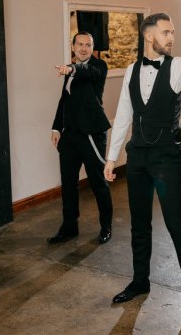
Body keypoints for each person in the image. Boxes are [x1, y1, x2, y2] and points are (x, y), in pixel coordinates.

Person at [103, 13, 181, 322]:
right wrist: (110, 158)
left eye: (173, 32)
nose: (172, 37)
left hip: (166, 160)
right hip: (137, 160)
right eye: (166, 32)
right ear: (149, 36)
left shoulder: (176, 67)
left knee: (177, 226)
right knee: (139, 224)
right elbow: (122, 116)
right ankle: (140, 281)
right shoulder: (132, 70)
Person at [48, 31, 113, 245]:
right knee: (68, 184)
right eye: (80, 44)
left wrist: (73, 68)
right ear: (73, 46)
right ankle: (69, 227)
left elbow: (87, 72)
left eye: (88, 45)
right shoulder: (69, 70)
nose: (84, 48)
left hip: (92, 134)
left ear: (92, 48)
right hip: (71, 136)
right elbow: (63, 100)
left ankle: (106, 226)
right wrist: (57, 127)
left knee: (98, 183)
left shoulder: (98, 67)